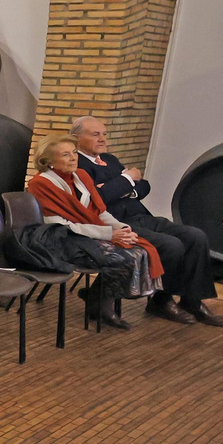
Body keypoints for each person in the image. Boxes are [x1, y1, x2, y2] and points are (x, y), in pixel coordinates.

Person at [72, 116, 223, 326]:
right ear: (76, 138)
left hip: (141, 215)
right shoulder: (76, 163)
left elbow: (144, 186)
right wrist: (126, 179)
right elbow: (100, 199)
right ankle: (161, 300)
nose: (102, 139)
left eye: (104, 134)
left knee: (195, 236)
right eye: (95, 134)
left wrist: (122, 189)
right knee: (171, 245)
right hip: (114, 223)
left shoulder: (111, 159)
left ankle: (192, 300)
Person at [27, 134, 165, 330]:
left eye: (74, 152)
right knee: (123, 258)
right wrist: (109, 234)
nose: (74, 158)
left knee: (139, 249)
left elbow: (100, 211)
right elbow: (63, 225)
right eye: (65, 155)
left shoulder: (82, 176)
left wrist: (121, 228)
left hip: (88, 234)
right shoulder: (41, 184)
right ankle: (101, 304)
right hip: (61, 238)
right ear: (48, 161)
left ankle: (96, 298)